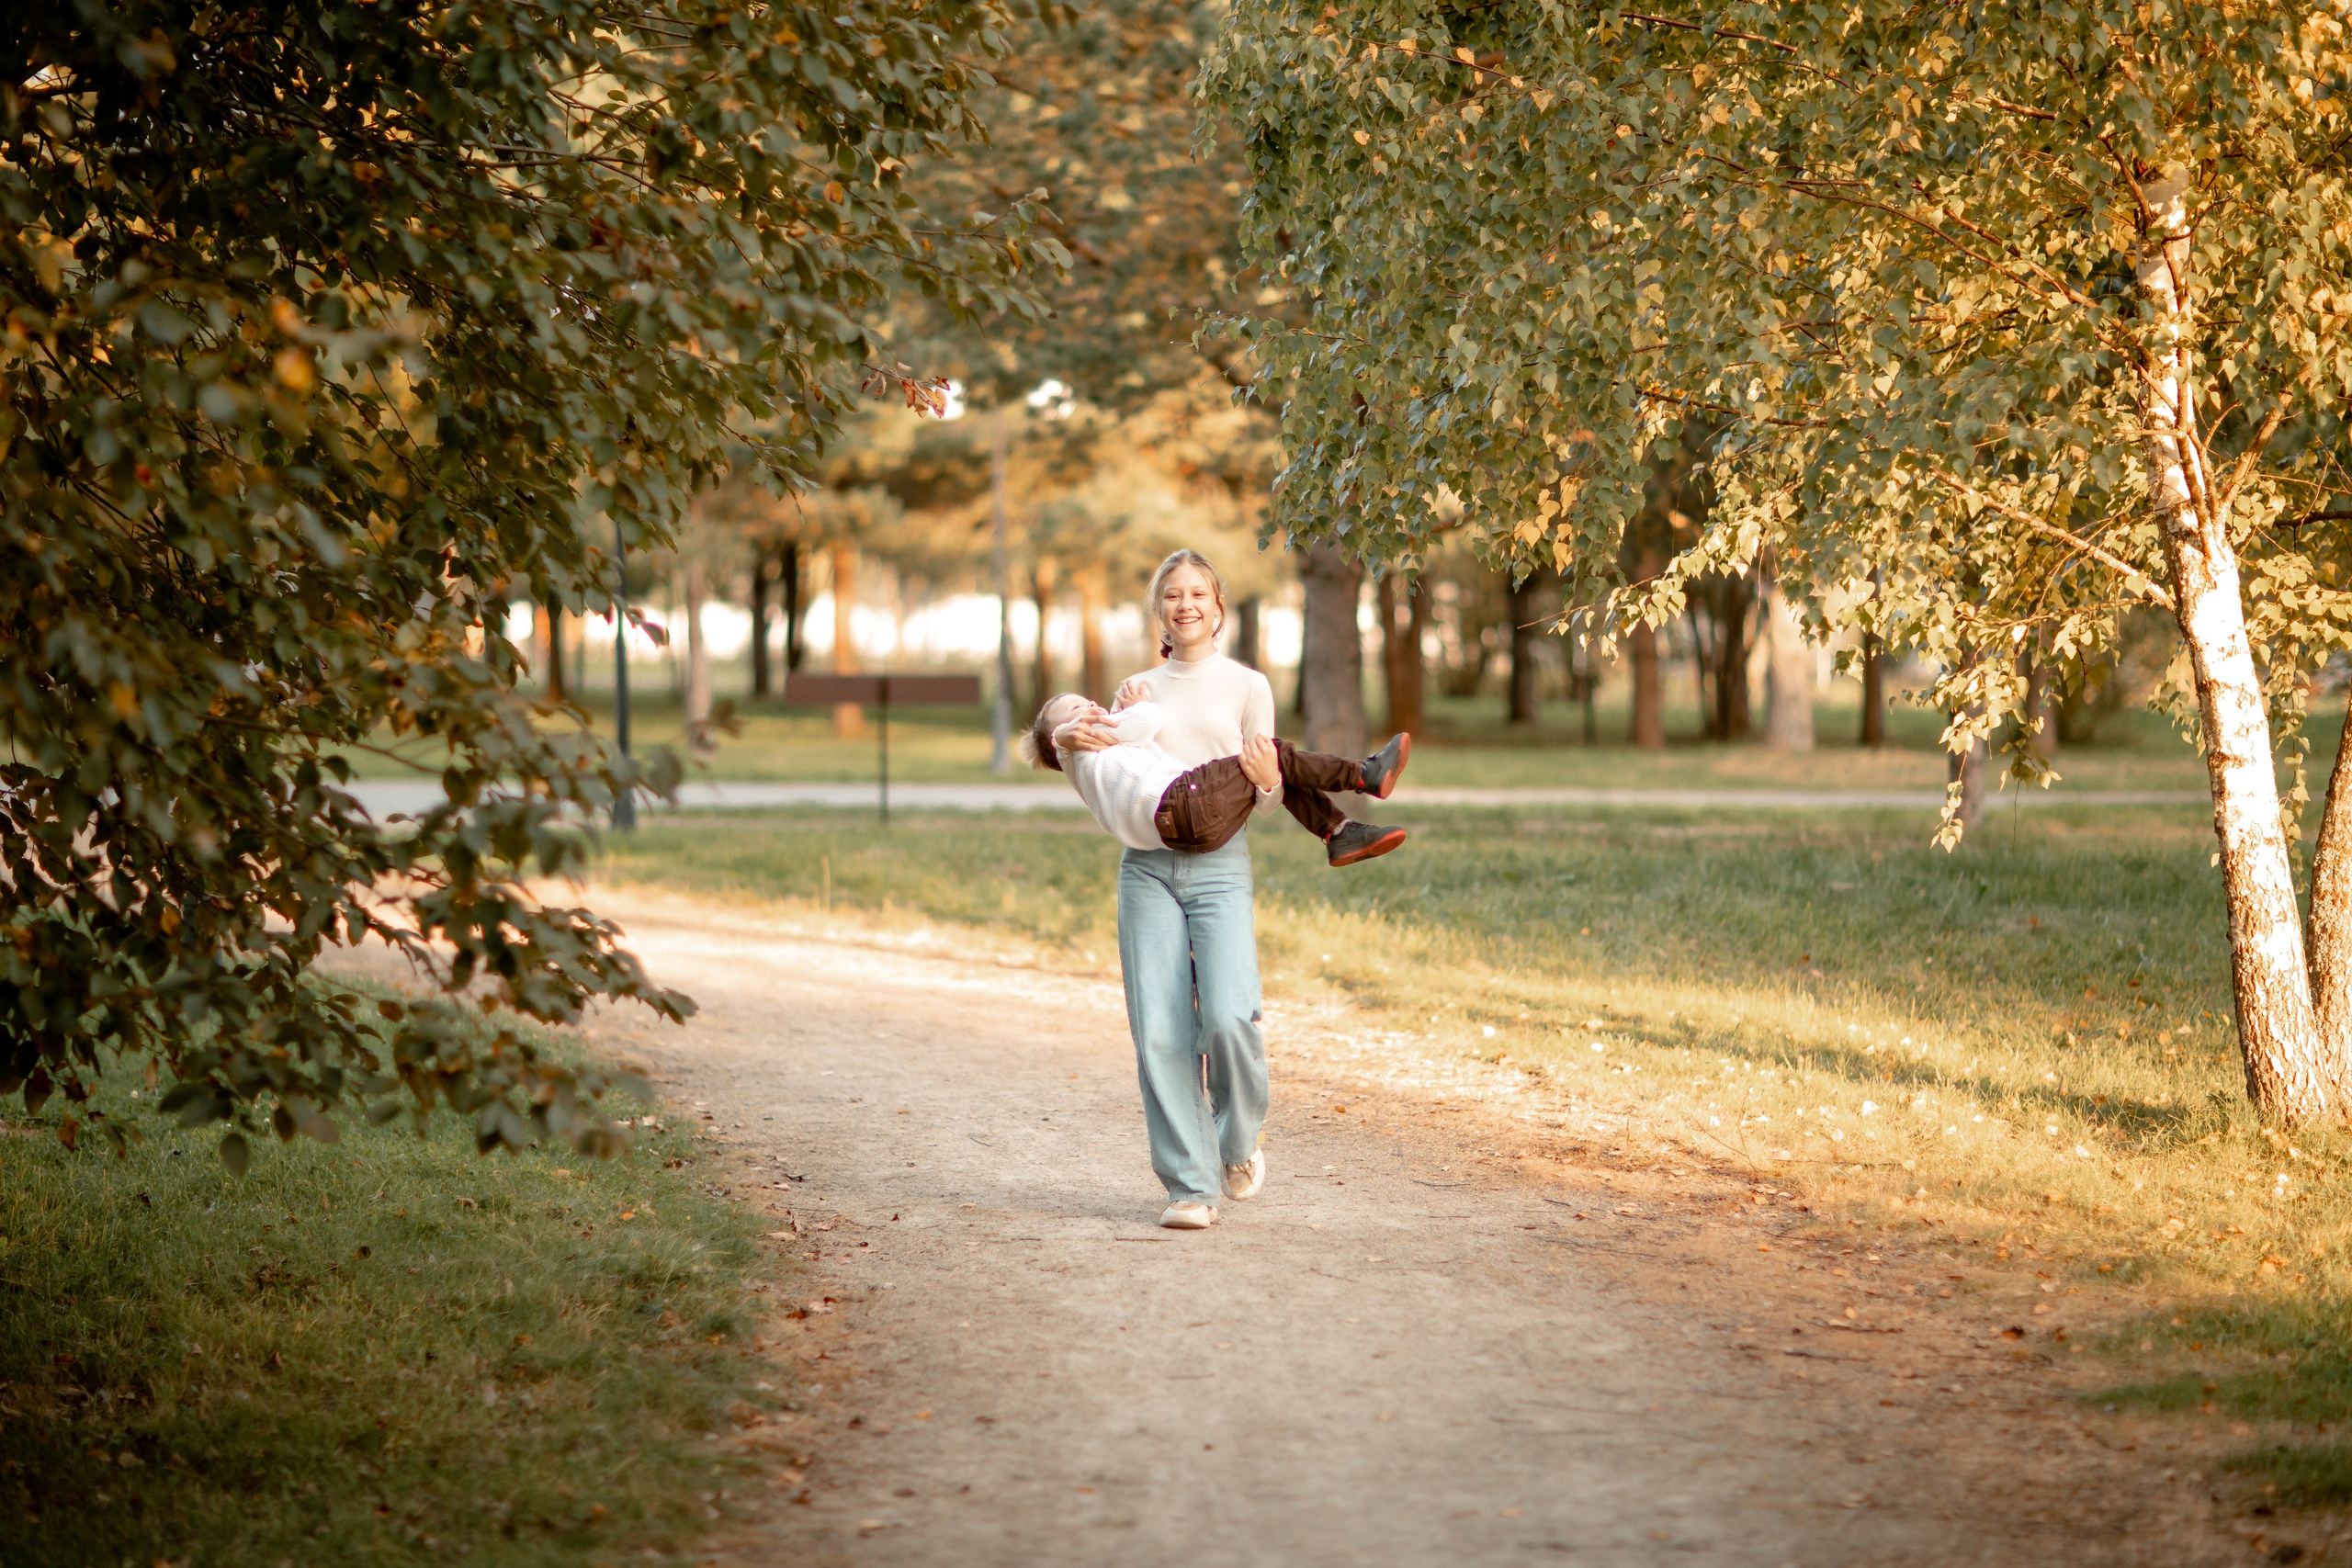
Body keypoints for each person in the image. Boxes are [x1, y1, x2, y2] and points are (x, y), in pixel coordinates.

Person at [1057, 548, 1408, 1231]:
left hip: (1220, 866)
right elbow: (1107, 770)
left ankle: (1238, 1139)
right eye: (1172, 595)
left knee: (1228, 1016)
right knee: (1160, 1028)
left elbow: (1268, 796)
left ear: (1219, 608)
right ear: (1159, 609)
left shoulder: (1247, 685)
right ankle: (1189, 1185)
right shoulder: (1136, 687)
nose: (1185, 604)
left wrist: (1271, 781)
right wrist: (1099, 722)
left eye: (1198, 594)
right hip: (1147, 867)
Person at [1020, 692, 1411, 864]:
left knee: (1271, 764)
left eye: (1086, 700)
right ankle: (1364, 774)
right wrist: (1135, 706)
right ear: (1061, 737)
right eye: (1074, 706)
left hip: (1190, 832)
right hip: (1183, 804)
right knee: (1266, 749)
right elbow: (1148, 721)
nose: (1089, 706)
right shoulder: (1080, 746)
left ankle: (1338, 833)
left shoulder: (1096, 760)